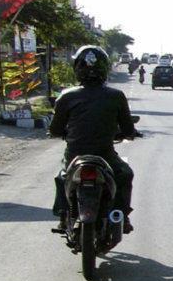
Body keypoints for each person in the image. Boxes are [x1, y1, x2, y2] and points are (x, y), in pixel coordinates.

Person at [49, 45, 139, 234]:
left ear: (77, 68)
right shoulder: (116, 96)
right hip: (104, 155)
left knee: (63, 176)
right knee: (125, 174)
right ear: (105, 68)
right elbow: (128, 129)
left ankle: (64, 217)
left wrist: (65, 133)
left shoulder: (66, 96)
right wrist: (128, 134)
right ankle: (121, 214)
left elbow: (55, 129)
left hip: (75, 155)